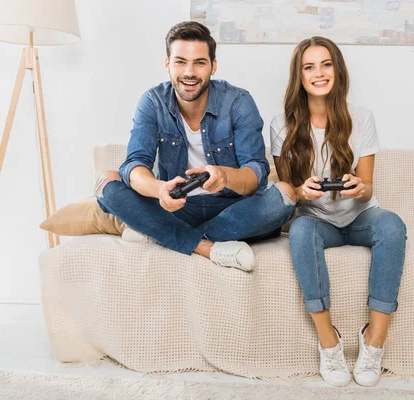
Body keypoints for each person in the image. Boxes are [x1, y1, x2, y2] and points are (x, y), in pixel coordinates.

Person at [96, 21, 296, 271]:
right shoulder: (152, 101)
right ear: (167, 64)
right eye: (180, 61)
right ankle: (205, 247)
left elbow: (255, 172)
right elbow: (135, 164)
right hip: (176, 207)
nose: (189, 72)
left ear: (213, 66)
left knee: (285, 195)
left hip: (231, 208)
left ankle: (160, 233)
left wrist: (225, 176)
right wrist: (160, 190)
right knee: (106, 184)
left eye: (199, 62)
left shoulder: (239, 101)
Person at [270, 37, 407, 387]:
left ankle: (373, 341)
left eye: (326, 64)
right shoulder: (281, 126)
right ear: (298, 76)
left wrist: (361, 188)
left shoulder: (361, 118)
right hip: (316, 220)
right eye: (309, 66)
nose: (319, 73)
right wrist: (302, 191)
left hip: (360, 217)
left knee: (392, 225)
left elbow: (368, 186)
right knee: (300, 232)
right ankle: (328, 342)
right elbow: (287, 196)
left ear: (338, 69)